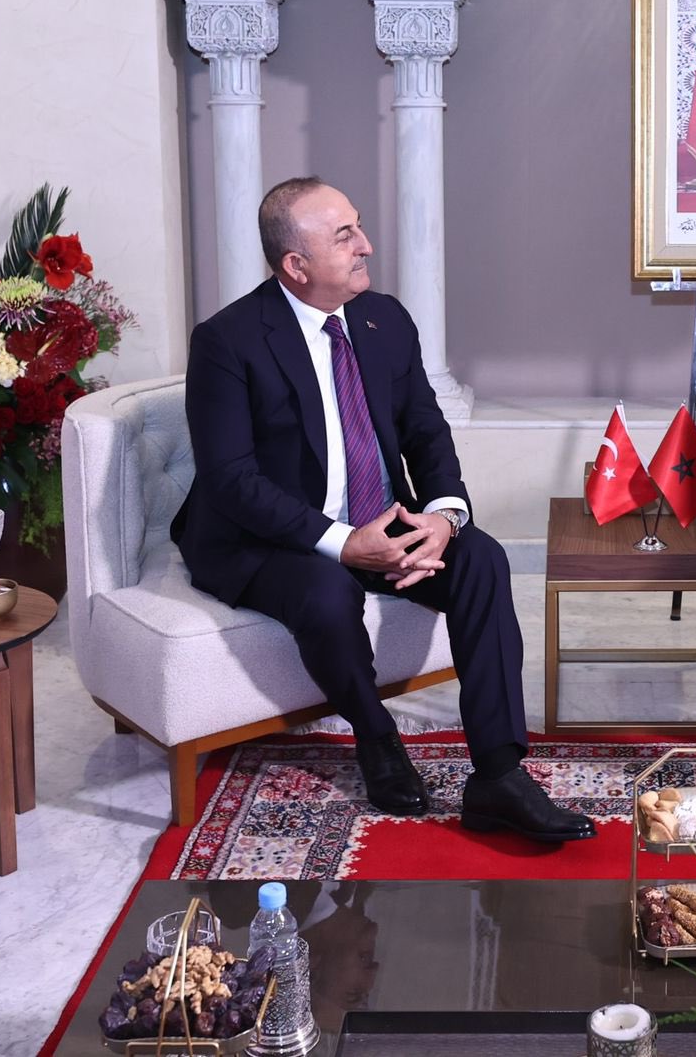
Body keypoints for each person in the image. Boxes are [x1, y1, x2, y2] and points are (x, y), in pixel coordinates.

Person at [172, 177, 593, 844]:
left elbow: (425, 430)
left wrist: (445, 517)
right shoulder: (228, 340)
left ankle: (499, 774)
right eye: (345, 236)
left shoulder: (384, 319)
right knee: (326, 591)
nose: (366, 245)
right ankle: (376, 737)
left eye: (359, 227)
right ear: (296, 265)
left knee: (481, 558)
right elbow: (231, 481)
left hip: (377, 513)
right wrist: (343, 543)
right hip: (270, 536)